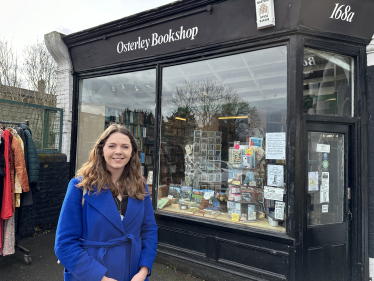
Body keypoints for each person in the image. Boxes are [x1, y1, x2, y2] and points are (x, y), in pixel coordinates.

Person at [55, 124, 158, 281]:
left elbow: (149, 230)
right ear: (101, 150)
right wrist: (101, 278)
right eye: (112, 146)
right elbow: (64, 244)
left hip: (133, 274)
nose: (118, 151)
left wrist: (143, 271)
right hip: (91, 275)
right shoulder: (79, 187)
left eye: (125, 146)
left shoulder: (140, 185)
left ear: (132, 153)